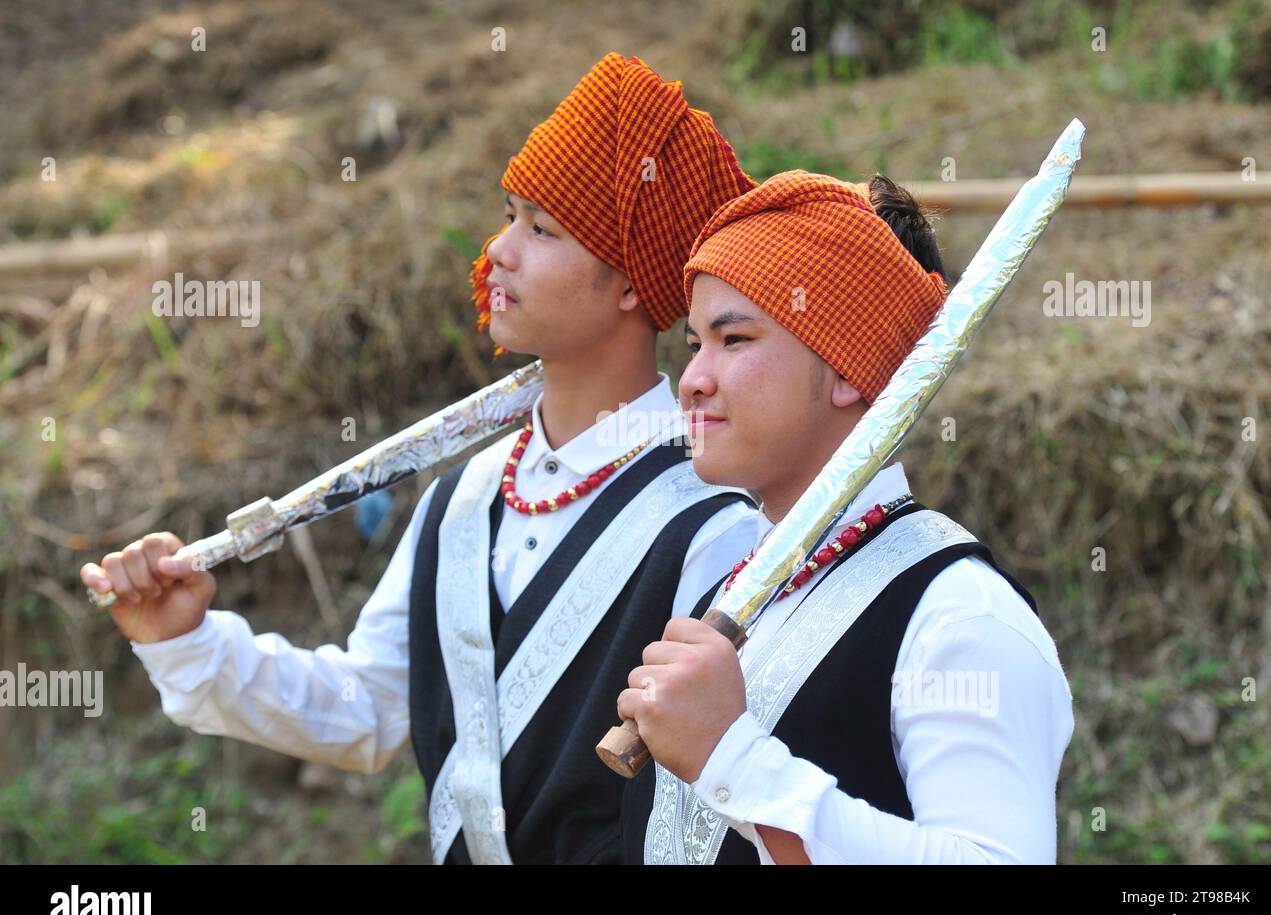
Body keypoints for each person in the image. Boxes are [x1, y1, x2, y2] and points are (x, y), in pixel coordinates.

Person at [81, 53, 766, 865]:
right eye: (509, 215)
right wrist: (185, 641)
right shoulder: (468, 499)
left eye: (542, 229)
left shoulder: (715, 524)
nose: (500, 250)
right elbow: (370, 706)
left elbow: (725, 814)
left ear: (628, 283)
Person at [618, 171, 1075, 864]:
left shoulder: (959, 616)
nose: (693, 379)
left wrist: (731, 757)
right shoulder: (735, 596)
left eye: (734, 339)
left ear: (848, 371)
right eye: (692, 346)